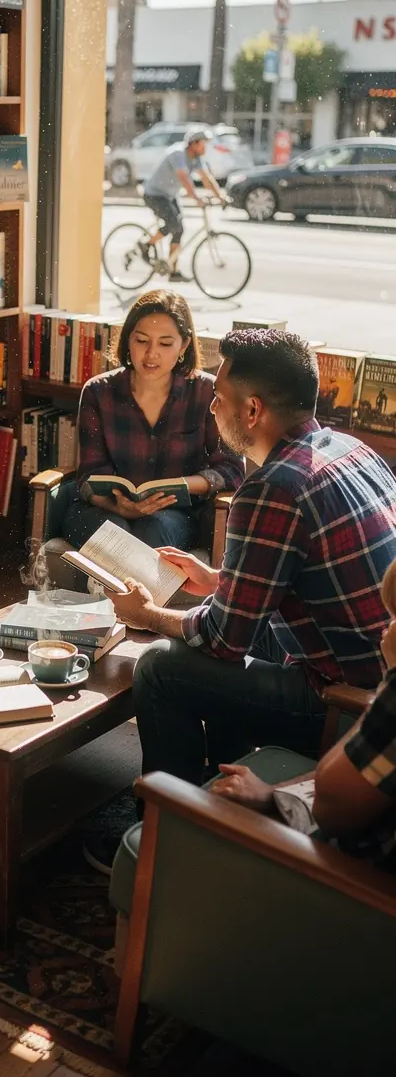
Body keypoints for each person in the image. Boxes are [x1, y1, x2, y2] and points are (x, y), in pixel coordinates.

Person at [91, 329, 396, 872]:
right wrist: (222, 580)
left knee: (161, 667)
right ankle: (216, 786)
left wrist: (146, 615)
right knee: (236, 636)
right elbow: (303, 575)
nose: (212, 406)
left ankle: (163, 835)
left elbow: (223, 639)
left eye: (219, 398)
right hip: (376, 676)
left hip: (348, 704)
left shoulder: (274, 488)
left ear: (251, 409)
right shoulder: (351, 450)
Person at [210, 558, 396, 871]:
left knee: (159, 669)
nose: (387, 630)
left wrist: (392, 680)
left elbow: (330, 808)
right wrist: (275, 797)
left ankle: (165, 829)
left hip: (354, 886)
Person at [63, 290, 243, 554]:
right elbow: (89, 474)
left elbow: (232, 470)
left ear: (183, 346)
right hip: (104, 510)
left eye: (165, 343)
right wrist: (120, 507)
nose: (151, 354)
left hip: (174, 514)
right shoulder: (98, 391)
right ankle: (117, 593)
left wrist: (180, 486)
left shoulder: (206, 392)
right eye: (142, 340)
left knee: (152, 531)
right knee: (115, 534)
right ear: (127, 341)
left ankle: (113, 593)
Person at [140, 127, 228, 281]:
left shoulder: (196, 158)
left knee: (179, 230)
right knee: (173, 224)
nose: (205, 147)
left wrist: (220, 196)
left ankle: (173, 272)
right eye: (203, 144)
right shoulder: (178, 154)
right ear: (193, 143)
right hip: (155, 194)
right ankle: (146, 244)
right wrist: (196, 198)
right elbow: (183, 178)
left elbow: (206, 178)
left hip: (169, 195)